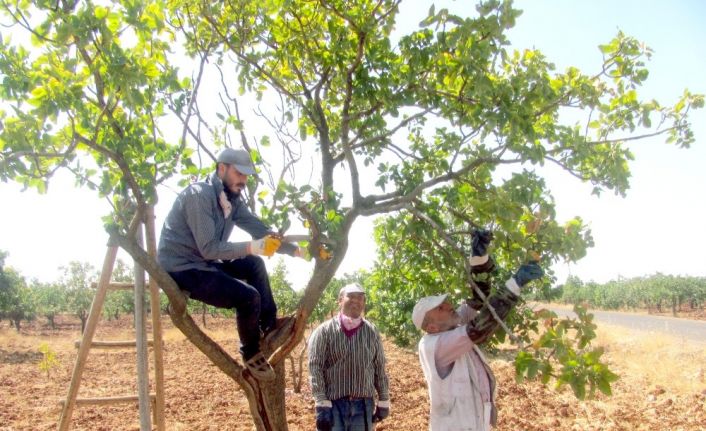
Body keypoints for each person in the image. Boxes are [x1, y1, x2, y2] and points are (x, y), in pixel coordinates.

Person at [158, 147, 302, 382]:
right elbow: (209, 248)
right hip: (183, 268)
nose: (243, 180)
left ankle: (269, 325)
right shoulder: (199, 195)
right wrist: (253, 246)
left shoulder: (232, 200)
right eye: (239, 173)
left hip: (205, 262)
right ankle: (251, 352)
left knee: (253, 264)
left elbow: (261, 231)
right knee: (248, 297)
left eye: (246, 176)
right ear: (221, 168)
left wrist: (299, 251)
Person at [412, 230, 543, 430]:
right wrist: (515, 284)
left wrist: (478, 259)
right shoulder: (436, 345)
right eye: (441, 307)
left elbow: (478, 299)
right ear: (431, 327)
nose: (449, 306)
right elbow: (480, 328)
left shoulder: (449, 326)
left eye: (446, 302)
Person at [308, 283, 391, 431]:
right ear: (340, 300)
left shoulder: (372, 332)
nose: (356, 301)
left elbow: (379, 368)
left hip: (363, 405)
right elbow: (315, 368)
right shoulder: (324, 331)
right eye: (351, 296)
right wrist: (321, 402)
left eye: (360, 298)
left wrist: (384, 399)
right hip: (333, 404)